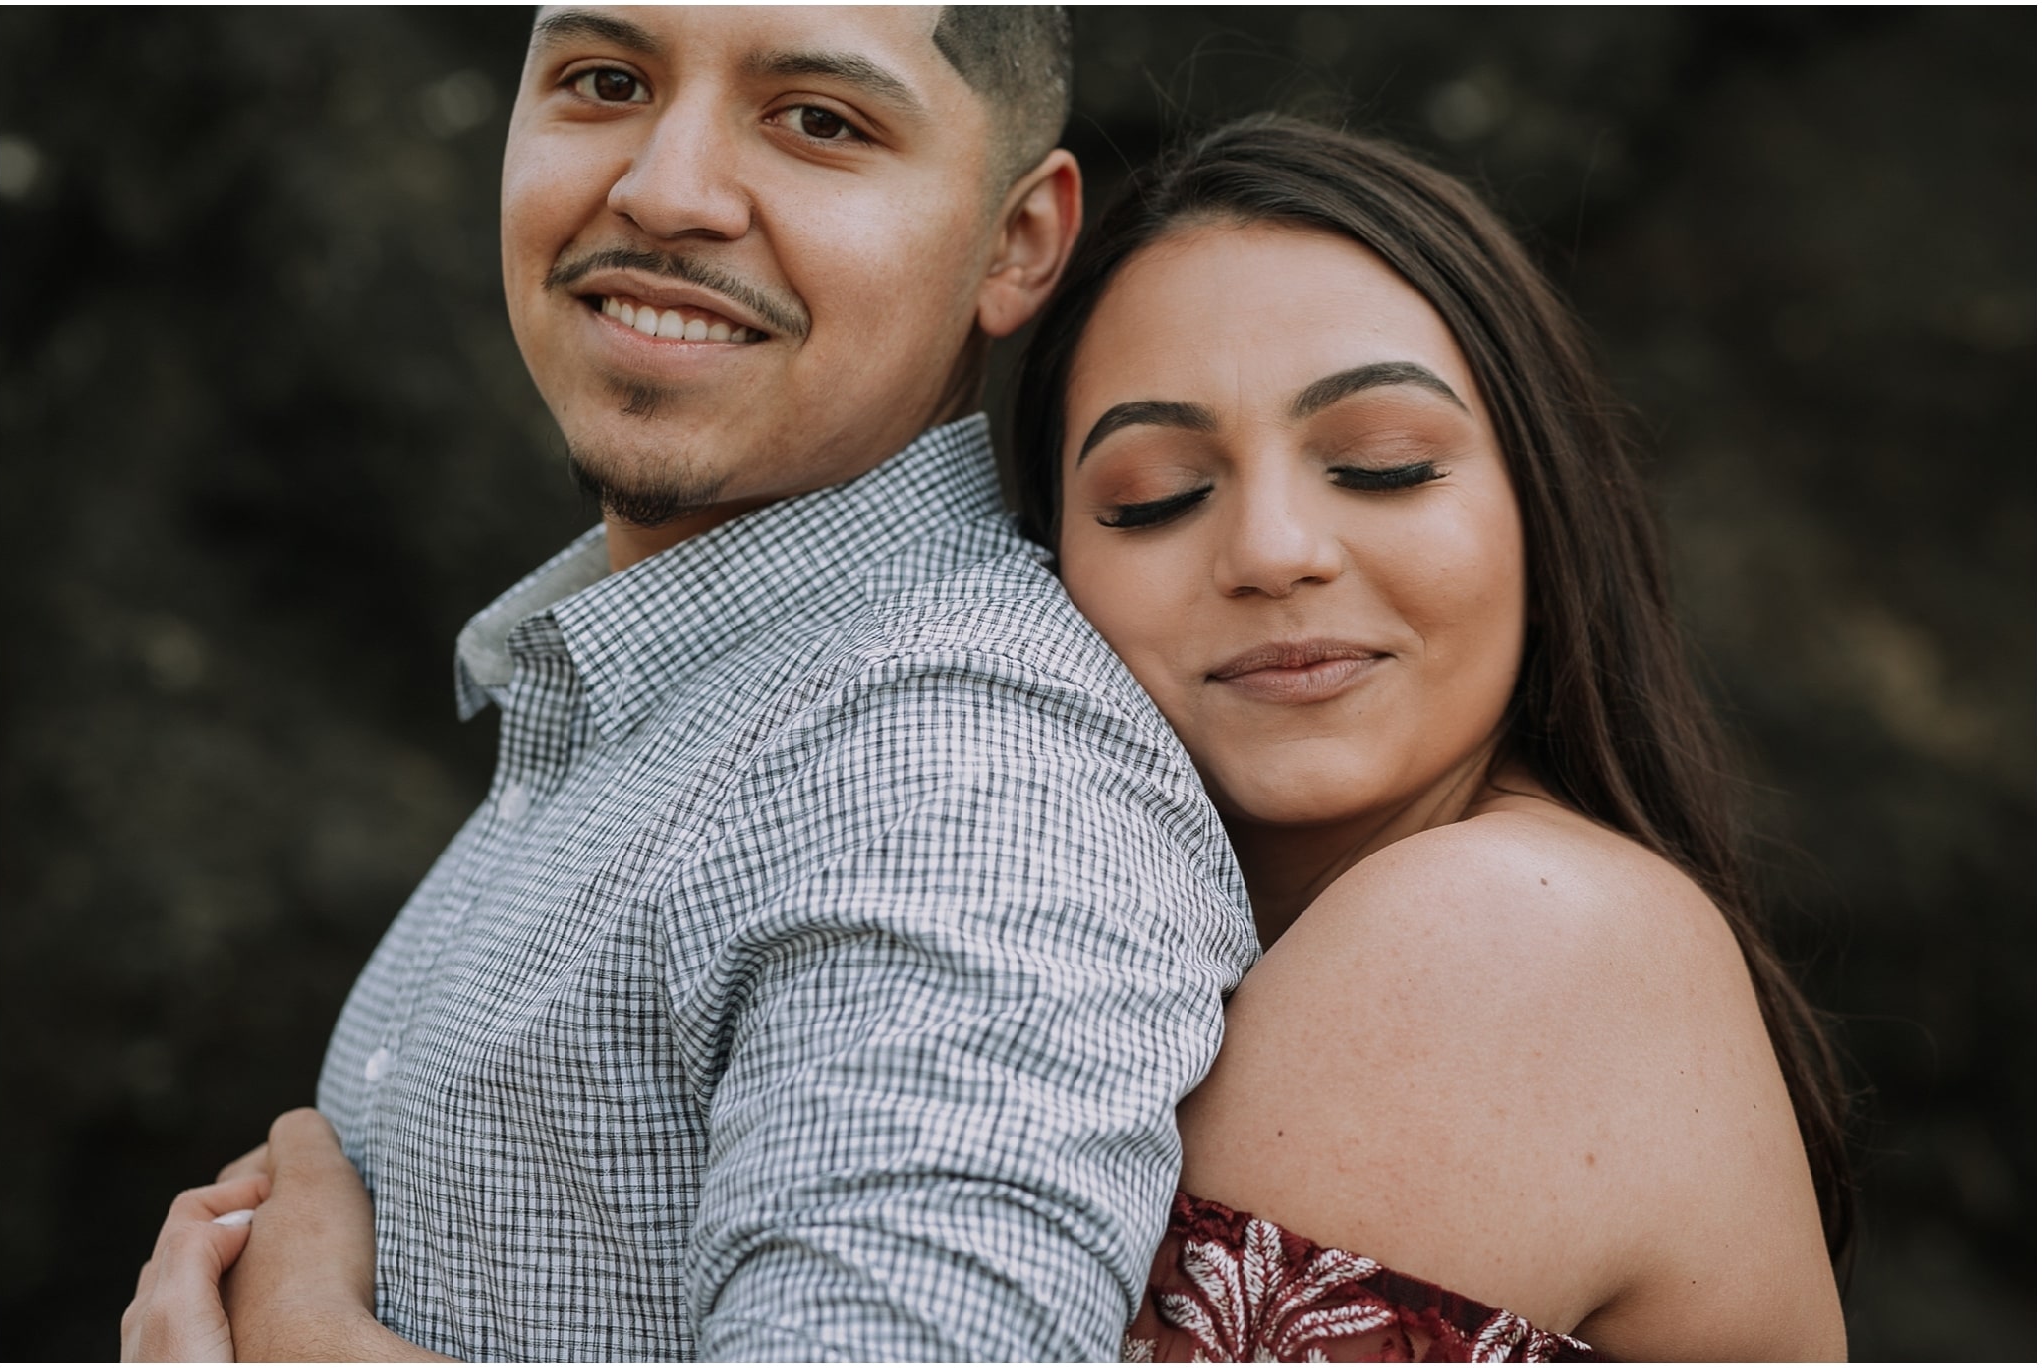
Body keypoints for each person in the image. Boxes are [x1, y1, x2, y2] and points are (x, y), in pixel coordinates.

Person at [120, 8, 1261, 1361]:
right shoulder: (669, 698)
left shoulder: (956, 766)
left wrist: (309, 1340)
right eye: (605, 83)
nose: (663, 191)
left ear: (1016, 244)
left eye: (819, 121)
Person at [1009, 117, 1853, 1360]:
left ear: (1540, 507)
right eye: (1156, 496)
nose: (1272, 552)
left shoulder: (1507, 926)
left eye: (1384, 465)